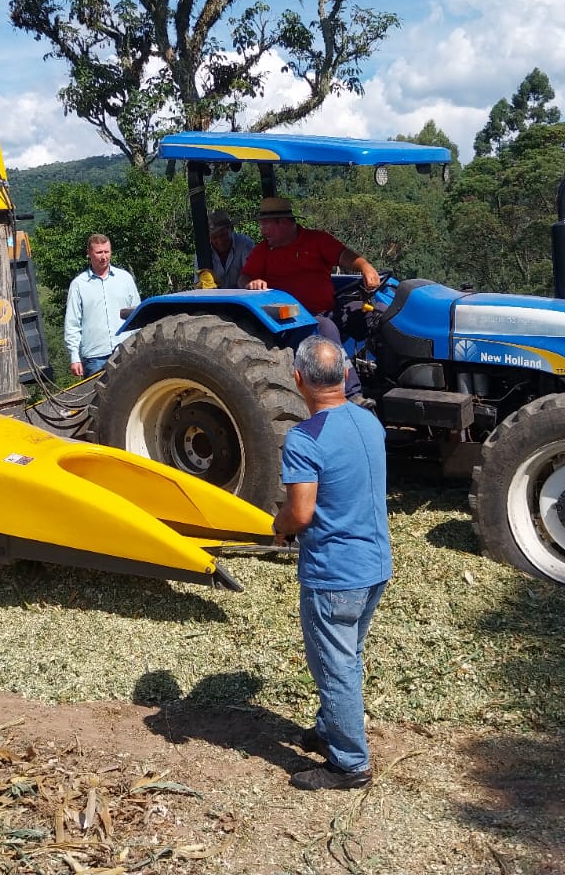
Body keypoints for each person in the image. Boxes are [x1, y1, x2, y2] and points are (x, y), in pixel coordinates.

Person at [272, 334, 392, 792]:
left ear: (298, 379)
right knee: (347, 653)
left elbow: (300, 513)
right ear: (344, 373)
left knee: (334, 663)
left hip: (334, 572)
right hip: (375, 563)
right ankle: (329, 729)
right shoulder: (370, 423)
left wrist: (278, 526)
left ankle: (349, 763)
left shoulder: (304, 439)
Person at [241, 196, 376, 395]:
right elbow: (244, 277)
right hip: (294, 321)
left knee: (378, 315)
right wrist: (250, 283)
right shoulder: (263, 251)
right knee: (325, 327)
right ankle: (351, 394)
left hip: (328, 309)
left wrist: (365, 266)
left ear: (284, 223)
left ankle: (395, 381)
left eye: (266, 224)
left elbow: (342, 255)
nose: (262, 230)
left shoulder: (316, 240)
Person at [63, 233, 140, 378]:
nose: (103, 257)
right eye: (99, 252)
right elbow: (72, 324)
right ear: (89, 254)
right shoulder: (79, 285)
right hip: (95, 358)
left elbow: (137, 314)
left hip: (126, 351)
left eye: (106, 252)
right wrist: (74, 356)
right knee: (98, 399)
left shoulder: (125, 279)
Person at [207, 209, 255, 290]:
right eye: (214, 237)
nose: (220, 241)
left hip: (241, 299)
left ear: (231, 229)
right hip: (213, 299)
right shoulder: (203, 251)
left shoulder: (245, 244)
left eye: (223, 235)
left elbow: (250, 276)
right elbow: (200, 285)